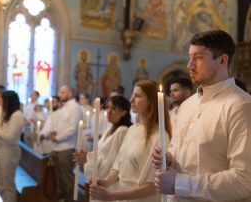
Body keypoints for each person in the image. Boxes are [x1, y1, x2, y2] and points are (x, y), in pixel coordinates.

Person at [152, 30, 251, 202]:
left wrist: (180, 183)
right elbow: (181, 150)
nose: (189, 65)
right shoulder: (187, 105)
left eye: (198, 58)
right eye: (190, 57)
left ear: (222, 60)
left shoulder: (240, 106)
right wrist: (169, 159)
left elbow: (245, 181)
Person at [90, 80, 171, 202]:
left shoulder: (160, 136)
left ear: (151, 101)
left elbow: (154, 186)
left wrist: (112, 196)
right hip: (122, 197)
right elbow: (119, 166)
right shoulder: (133, 129)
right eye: (132, 95)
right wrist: (105, 182)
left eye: (137, 96)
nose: (131, 100)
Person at [74, 95, 132, 181]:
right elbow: (101, 153)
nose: (108, 111)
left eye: (114, 108)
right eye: (108, 107)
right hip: (101, 177)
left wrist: (87, 158)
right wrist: (87, 155)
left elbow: (112, 163)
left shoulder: (122, 131)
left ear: (123, 112)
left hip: (109, 182)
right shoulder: (109, 128)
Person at [46, 85, 83, 202]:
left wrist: (57, 137)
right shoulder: (65, 108)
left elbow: (72, 128)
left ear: (70, 93)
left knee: (67, 179)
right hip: (57, 147)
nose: (60, 94)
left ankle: (70, 200)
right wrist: (53, 133)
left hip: (67, 147)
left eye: (63, 92)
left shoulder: (75, 107)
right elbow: (60, 125)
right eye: (60, 92)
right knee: (58, 178)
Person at [0, 90, 24, 202]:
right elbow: (3, 133)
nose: (1, 102)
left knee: (8, 185)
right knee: (0, 183)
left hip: (9, 152)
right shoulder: (8, 114)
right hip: (1, 150)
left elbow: (10, 137)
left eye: (3, 100)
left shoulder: (17, 115)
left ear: (9, 101)